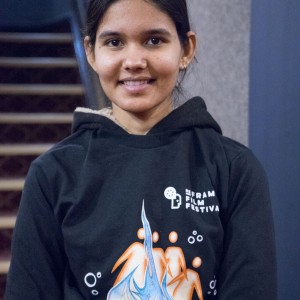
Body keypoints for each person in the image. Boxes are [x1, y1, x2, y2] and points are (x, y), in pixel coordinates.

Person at [5, 0, 277, 299]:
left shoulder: (234, 168)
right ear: (91, 52)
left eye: (154, 40)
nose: (134, 60)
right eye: (114, 42)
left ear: (186, 49)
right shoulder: (53, 173)